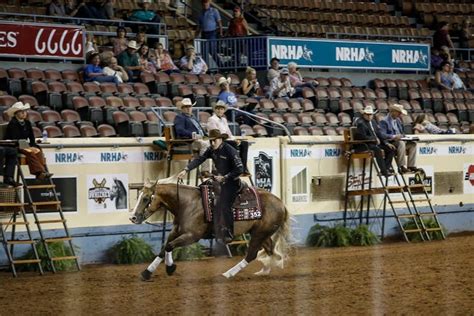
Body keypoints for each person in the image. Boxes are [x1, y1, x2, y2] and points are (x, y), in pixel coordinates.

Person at [178, 129, 243, 243]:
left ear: (221, 140)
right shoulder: (211, 150)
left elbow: (239, 169)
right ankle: (214, 228)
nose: (212, 143)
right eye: (211, 141)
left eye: (215, 141)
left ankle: (229, 232)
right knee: (205, 195)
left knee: (224, 204)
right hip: (220, 181)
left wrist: (225, 177)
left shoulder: (230, 150)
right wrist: (186, 169)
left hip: (232, 182)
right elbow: (199, 159)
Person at [4, 102, 52, 180]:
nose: (24, 113)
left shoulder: (27, 123)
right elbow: (15, 138)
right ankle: (40, 172)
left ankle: (40, 173)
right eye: (21, 112)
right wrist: (28, 147)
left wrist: (32, 145)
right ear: (16, 114)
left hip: (25, 144)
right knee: (30, 152)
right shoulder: (13, 124)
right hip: (15, 145)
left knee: (37, 150)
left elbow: (31, 136)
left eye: (25, 111)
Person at [207, 101, 250, 175]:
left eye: (221, 109)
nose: (220, 110)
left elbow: (229, 133)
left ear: (224, 110)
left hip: (227, 140)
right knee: (234, 144)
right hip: (218, 141)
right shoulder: (212, 119)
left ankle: (243, 167)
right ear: (215, 110)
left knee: (244, 144)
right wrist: (231, 140)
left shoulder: (224, 120)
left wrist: (235, 139)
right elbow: (215, 134)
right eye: (218, 109)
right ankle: (236, 167)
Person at [354, 106, 396, 177]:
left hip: (374, 144)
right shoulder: (361, 123)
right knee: (377, 150)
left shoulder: (373, 122)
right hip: (364, 144)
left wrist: (386, 143)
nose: (369, 116)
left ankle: (386, 168)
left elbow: (379, 133)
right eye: (367, 114)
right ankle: (384, 171)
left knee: (390, 148)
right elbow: (361, 137)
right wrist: (374, 139)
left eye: (370, 114)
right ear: (364, 114)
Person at [173, 98, 210, 172]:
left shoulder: (193, 117)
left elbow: (201, 130)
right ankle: (205, 171)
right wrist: (193, 135)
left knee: (215, 143)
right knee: (205, 144)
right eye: (186, 107)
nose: (188, 108)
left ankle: (216, 169)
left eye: (189, 106)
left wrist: (209, 137)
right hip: (190, 142)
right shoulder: (180, 117)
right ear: (182, 108)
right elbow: (179, 130)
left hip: (200, 138)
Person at [379, 104, 418, 174]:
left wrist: (403, 136)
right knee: (401, 143)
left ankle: (411, 166)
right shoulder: (384, 121)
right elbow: (382, 134)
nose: (400, 114)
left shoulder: (398, 121)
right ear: (393, 111)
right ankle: (401, 166)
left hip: (400, 140)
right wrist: (394, 136)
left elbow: (402, 132)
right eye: (398, 112)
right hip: (392, 142)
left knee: (413, 144)